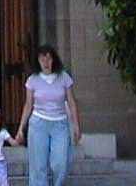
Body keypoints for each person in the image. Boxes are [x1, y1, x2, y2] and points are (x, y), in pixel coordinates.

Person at [13, 44, 80, 186]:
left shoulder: (64, 77)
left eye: (48, 58)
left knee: (61, 163)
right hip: (38, 123)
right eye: (42, 59)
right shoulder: (32, 80)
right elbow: (28, 105)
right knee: (38, 165)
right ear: (38, 61)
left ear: (53, 59)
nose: (45, 62)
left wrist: (76, 127)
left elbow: (72, 102)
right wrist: (20, 129)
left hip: (60, 123)